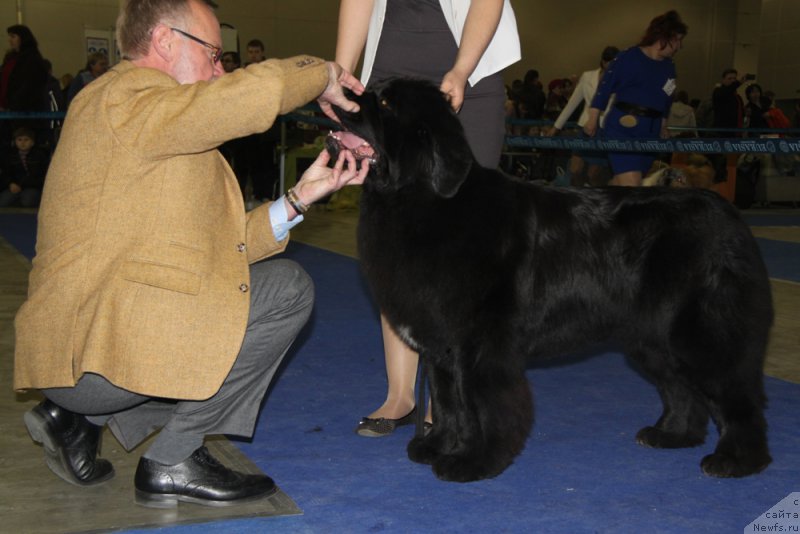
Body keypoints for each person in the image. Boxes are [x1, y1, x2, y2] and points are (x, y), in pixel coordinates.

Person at [13, 0, 368, 508]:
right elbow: (247, 96)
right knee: (287, 291)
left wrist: (296, 200)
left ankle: (76, 419)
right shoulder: (128, 98)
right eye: (213, 54)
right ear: (164, 41)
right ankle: (172, 458)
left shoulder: (139, 118)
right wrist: (324, 75)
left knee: (228, 297)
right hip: (92, 362)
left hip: (81, 357)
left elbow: (222, 248)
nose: (219, 71)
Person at [336, 0, 520, 437]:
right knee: (392, 244)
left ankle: (448, 399)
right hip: (388, 77)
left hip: (468, 78)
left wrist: (461, 70)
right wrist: (340, 74)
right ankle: (399, 396)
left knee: (463, 251)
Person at [584, 10, 687, 186]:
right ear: (663, 37)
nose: (679, 46)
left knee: (625, 183)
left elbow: (667, 97)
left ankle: (603, 201)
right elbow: (605, 87)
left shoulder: (669, 66)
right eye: (677, 40)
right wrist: (592, 118)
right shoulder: (628, 56)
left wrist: (663, 124)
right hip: (622, 129)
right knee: (633, 183)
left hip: (651, 131)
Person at [549, 45, 619, 186]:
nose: (612, 67)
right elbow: (572, 103)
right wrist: (555, 127)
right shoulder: (587, 76)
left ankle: (592, 197)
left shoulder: (620, 80)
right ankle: (575, 195)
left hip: (605, 130)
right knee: (575, 168)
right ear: (603, 61)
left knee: (594, 174)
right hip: (585, 128)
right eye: (609, 63)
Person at [0, 25, 48, 146]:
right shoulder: (10, 58)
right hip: (7, 112)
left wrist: (13, 105)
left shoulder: (32, 59)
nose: (10, 40)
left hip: (25, 113)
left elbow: (29, 86)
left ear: (22, 38)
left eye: (13, 37)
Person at [0, 126, 50, 207]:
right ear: (15, 142)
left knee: (28, 200)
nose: (22, 143)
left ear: (32, 142)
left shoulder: (39, 156)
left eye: (26, 140)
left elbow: (43, 175)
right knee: (3, 201)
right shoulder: (10, 156)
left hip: (32, 187)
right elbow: (5, 173)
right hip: (15, 186)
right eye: (19, 140)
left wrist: (24, 184)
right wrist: (10, 183)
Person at [712, 68, 747, 137]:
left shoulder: (737, 96)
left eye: (734, 78)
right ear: (723, 80)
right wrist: (738, 82)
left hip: (737, 131)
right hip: (723, 132)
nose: (732, 81)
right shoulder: (718, 91)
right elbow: (726, 92)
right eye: (729, 78)